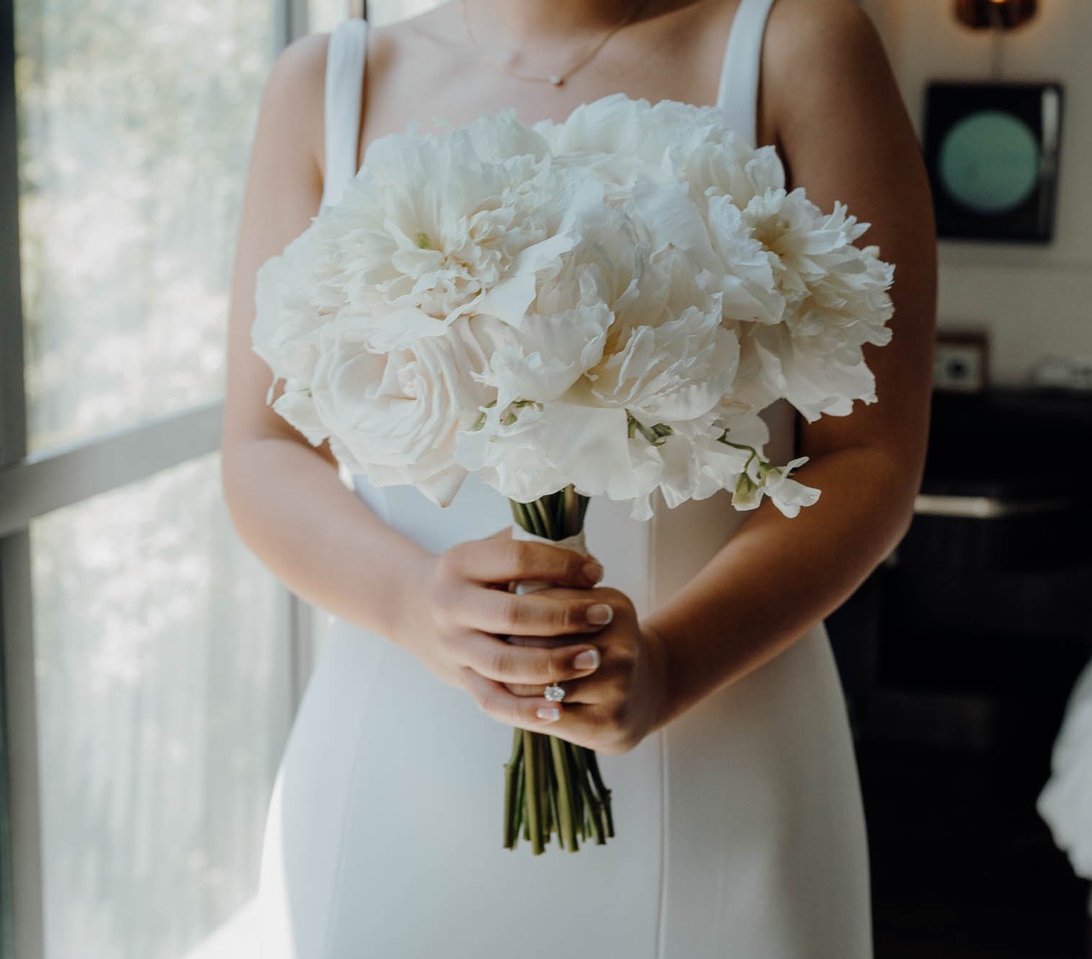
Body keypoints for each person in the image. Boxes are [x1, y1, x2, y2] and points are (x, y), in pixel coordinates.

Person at [221, 0, 936, 955]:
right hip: (398, 752)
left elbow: (869, 457)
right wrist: (407, 601)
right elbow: (263, 449)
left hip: (718, 736)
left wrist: (675, 663)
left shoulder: (798, 44)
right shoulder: (324, 85)